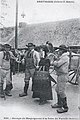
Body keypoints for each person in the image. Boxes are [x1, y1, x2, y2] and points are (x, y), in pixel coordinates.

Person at [51, 45, 69, 113]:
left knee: (61, 91)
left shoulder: (65, 57)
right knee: (57, 89)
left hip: (63, 75)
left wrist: (53, 62)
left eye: (60, 50)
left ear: (62, 51)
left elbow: (57, 64)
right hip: (60, 75)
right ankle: (59, 103)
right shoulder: (62, 57)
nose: (58, 52)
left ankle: (65, 107)